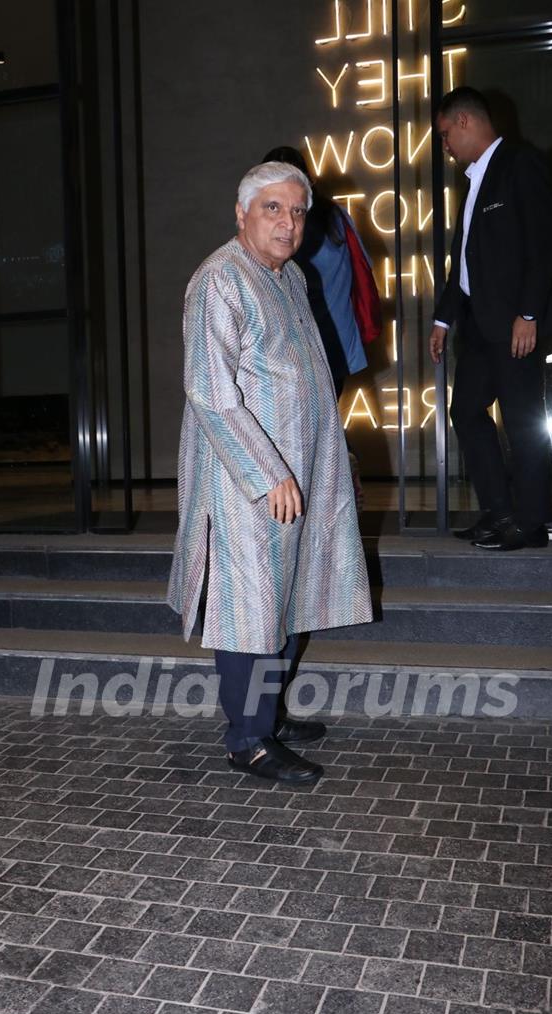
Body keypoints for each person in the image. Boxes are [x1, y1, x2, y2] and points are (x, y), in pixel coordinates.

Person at [167, 161, 372, 783]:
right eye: (272, 209)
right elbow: (211, 393)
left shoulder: (289, 277)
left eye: (297, 211)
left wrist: (336, 461)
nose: (288, 224)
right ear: (242, 214)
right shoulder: (220, 281)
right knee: (249, 609)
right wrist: (267, 474)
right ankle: (247, 739)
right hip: (245, 484)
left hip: (299, 475)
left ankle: (269, 717)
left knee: (282, 603)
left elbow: (308, 382)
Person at [428, 86, 552, 551]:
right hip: (479, 327)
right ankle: (500, 511)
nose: (444, 146)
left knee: (522, 420)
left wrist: (529, 313)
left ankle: (531, 522)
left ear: (464, 122)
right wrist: (443, 320)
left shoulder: (521, 164)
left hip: (514, 324)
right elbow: (461, 262)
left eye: (445, 134)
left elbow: (542, 246)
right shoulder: (474, 181)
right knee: (464, 411)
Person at [262, 145, 371, 399]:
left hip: (298, 350)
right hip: (337, 344)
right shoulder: (337, 216)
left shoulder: (284, 230)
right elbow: (361, 266)